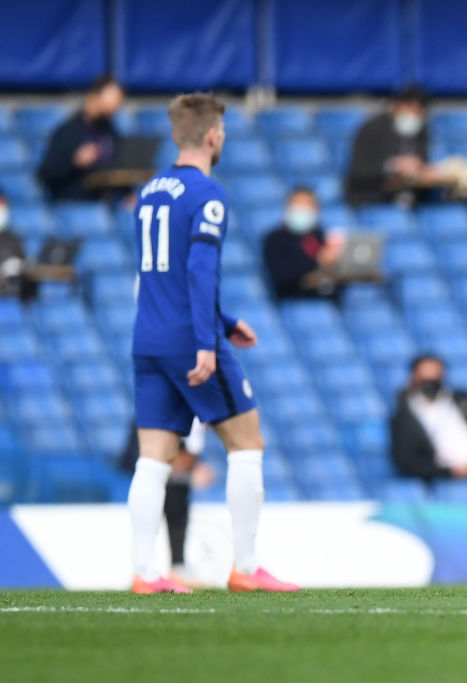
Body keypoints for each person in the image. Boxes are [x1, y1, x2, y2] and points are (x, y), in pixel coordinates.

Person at [128, 92, 297, 594]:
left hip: (148, 338)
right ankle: (245, 567)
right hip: (188, 340)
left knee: (152, 458)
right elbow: (198, 269)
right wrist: (208, 340)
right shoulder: (208, 195)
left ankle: (146, 573)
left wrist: (223, 321)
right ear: (213, 134)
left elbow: (163, 276)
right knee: (248, 444)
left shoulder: (148, 192)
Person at [345, 86, 467, 208]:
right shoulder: (371, 129)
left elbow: (420, 164)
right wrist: (393, 166)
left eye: (419, 113)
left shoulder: (421, 131)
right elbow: (359, 171)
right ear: (397, 106)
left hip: (411, 199)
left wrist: (430, 174)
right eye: (411, 110)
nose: (414, 117)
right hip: (372, 200)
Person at [119, 418, 212, 588]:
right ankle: (144, 568)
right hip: (147, 462)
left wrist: (195, 466)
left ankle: (175, 566)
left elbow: (188, 453)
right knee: (152, 511)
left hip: (169, 473)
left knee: (178, 510)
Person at [37, 75, 124, 202]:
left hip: (104, 205)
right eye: (108, 105)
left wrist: (126, 192)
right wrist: (75, 162)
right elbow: (46, 174)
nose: (112, 111)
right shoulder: (67, 132)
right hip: (73, 204)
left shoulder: (111, 133)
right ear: (93, 98)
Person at [262, 187, 345, 300]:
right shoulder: (275, 240)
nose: (302, 211)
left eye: (307, 206)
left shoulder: (322, 237)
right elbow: (284, 277)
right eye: (298, 206)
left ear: (317, 210)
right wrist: (319, 262)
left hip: (329, 303)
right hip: (293, 301)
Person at [0, 189, 37, 302]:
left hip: (13, 288)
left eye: (3, 209)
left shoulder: (13, 238)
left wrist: (23, 266)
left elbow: (23, 260)